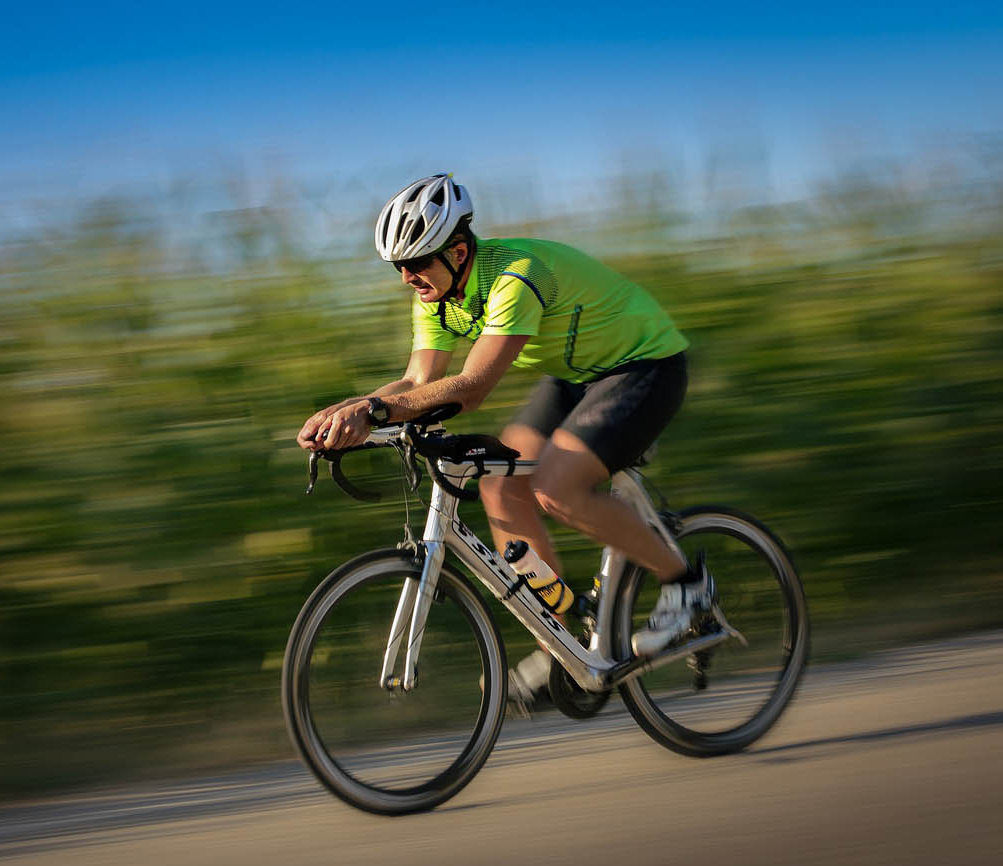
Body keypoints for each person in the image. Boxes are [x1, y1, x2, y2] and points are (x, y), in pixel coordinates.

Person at [297, 173, 712, 710]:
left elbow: (471, 389)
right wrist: (347, 412)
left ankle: (686, 584)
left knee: (557, 488)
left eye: (417, 263)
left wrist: (375, 411)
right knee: (499, 482)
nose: (407, 277)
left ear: (460, 251)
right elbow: (419, 384)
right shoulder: (437, 294)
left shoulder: (517, 275)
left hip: (645, 365)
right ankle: (560, 647)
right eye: (399, 267)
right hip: (577, 374)